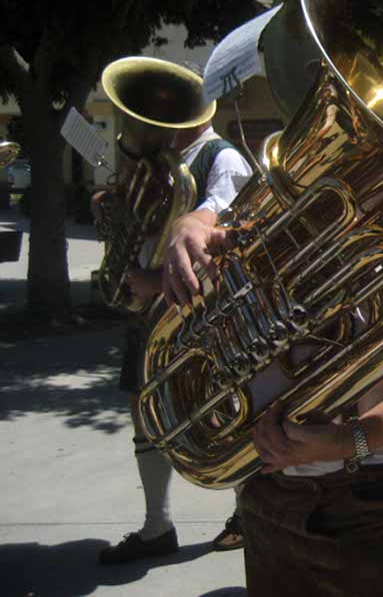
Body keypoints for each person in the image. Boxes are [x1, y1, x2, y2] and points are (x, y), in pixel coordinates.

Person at [160, 172, 383, 595]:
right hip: (267, 487)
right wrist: (191, 224)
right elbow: (216, 223)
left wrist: (348, 440)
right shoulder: (281, 189)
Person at [97, 115, 254, 563]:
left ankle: (246, 513)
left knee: (227, 407)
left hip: (201, 312)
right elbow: (144, 223)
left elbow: (222, 237)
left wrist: (152, 279)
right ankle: (157, 525)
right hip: (150, 311)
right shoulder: (160, 162)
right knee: (143, 412)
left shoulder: (221, 157)